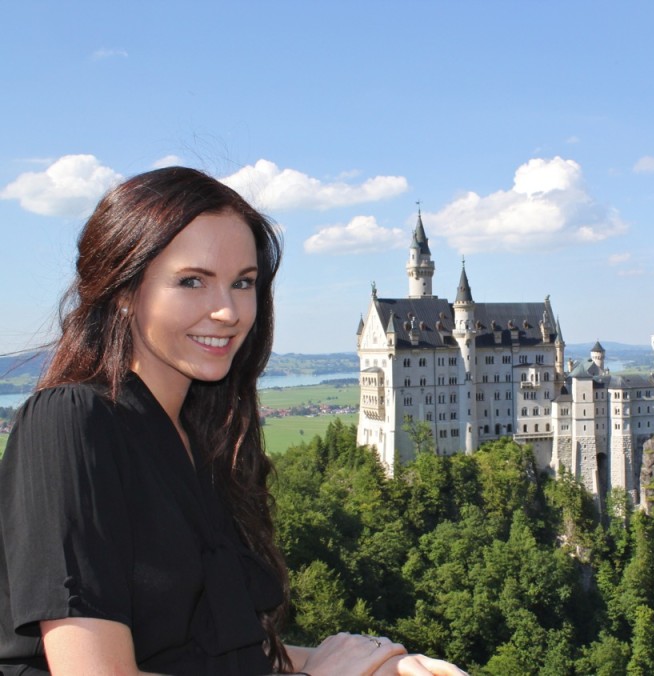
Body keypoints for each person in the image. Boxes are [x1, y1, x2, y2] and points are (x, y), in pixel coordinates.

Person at [0, 167, 466, 676]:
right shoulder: (72, 422)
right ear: (124, 291)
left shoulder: (209, 443)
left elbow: (225, 659)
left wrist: (380, 666)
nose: (227, 311)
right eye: (192, 281)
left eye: (243, 282)